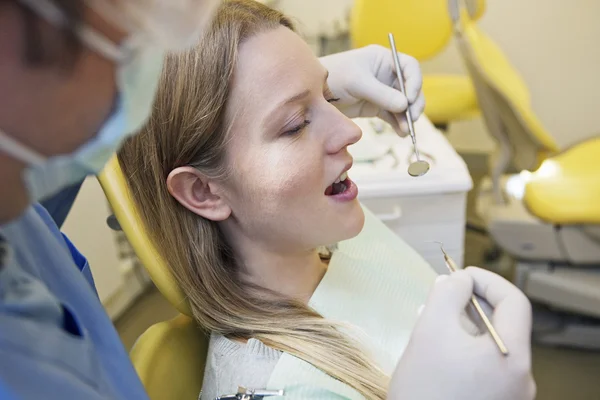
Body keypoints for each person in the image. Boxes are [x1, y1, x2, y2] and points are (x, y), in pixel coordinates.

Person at [0, 0, 534, 399]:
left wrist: (296, 90)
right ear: (204, 191)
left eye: (328, 96)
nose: (350, 129)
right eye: (296, 124)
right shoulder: (275, 385)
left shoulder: (326, 233)